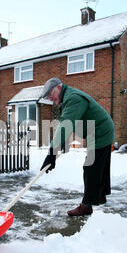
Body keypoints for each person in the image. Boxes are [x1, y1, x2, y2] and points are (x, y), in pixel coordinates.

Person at [40, 77, 114, 216]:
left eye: (50, 94)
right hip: (98, 130)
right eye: (47, 97)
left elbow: (65, 125)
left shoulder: (73, 99)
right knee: (100, 165)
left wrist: (51, 153)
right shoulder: (68, 97)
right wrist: (61, 143)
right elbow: (70, 123)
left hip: (100, 132)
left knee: (91, 167)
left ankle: (86, 206)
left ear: (59, 88)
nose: (50, 99)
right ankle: (100, 195)